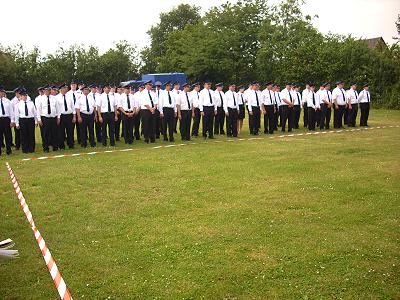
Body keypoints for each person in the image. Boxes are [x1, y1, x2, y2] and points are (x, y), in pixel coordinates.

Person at [37, 86, 60, 152]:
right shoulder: (40, 99)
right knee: (45, 134)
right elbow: (38, 110)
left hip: (53, 118)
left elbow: (58, 108)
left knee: (54, 133)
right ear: (44, 91)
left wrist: (58, 117)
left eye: (49, 90)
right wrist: (39, 119)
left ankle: (55, 147)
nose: (48, 91)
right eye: (46, 90)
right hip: (45, 118)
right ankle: (46, 148)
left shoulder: (54, 98)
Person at [15, 88, 37, 153]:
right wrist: (17, 123)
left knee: (31, 134)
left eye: (26, 95)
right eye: (23, 96)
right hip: (22, 120)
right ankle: (25, 149)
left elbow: (34, 112)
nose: (25, 97)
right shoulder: (18, 105)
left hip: (30, 120)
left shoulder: (31, 103)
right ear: (21, 97)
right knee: (24, 135)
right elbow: (17, 115)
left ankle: (31, 149)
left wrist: (36, 121)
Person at [57, 83, 76, 149]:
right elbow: (57, 109)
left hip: (69, 115)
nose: (65, 90)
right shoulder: (57, 97)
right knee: (61, 132)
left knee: (70, 131)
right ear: (60, 90)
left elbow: (73, 107)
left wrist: (74, 116)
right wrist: (58, 117)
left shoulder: (70, 97)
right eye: (64, 88)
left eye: (66, 88)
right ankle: (61, 146)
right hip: (61, 116)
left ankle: (71, 144)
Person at [0, 86, 14, 155]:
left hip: (6, 119)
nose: (3, 93)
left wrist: (12, 121)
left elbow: (11, 111)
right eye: (2, 92)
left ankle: (9, 150)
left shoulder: (7, 101)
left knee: (7, 135)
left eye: (3, 92)